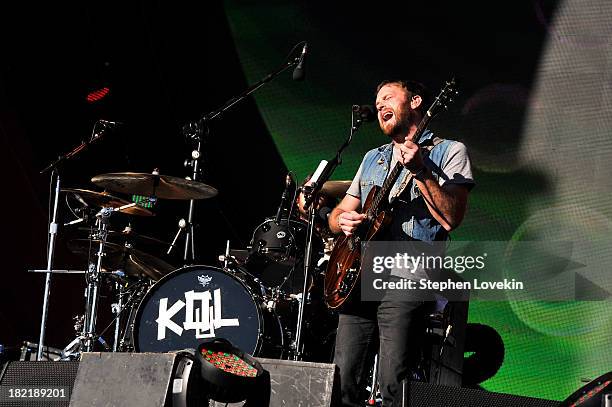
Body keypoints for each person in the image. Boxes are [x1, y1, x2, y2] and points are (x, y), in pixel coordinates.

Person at [328, 79, 474, 406]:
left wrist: (421, 172)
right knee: (343, 376)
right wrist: (342, 221)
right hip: (360, 275)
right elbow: (337, 214)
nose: (380, 106)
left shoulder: (450, 151)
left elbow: (451, 218)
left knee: (393, 381)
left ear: (416, 101)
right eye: (377, 103)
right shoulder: (373, 158)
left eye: (388, 98)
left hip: (409, 275)